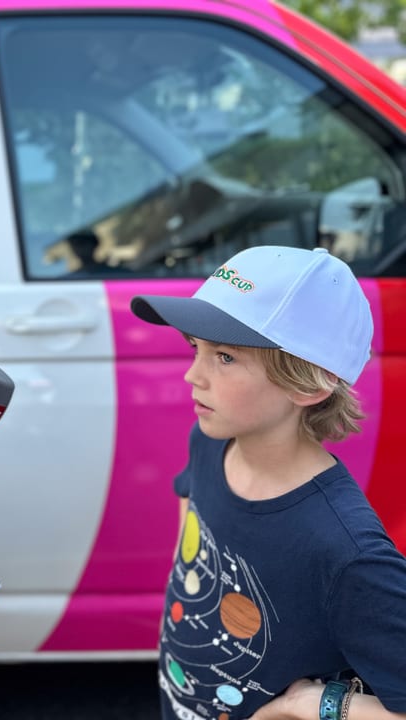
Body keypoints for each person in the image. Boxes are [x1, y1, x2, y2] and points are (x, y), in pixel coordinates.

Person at [130, 245, 406, 720]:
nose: (192, 374)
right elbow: (191, 512)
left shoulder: (347, 550)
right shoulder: (214, 441)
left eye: (225, 357)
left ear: (308, 384)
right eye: (195, 347)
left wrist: (313, 704)